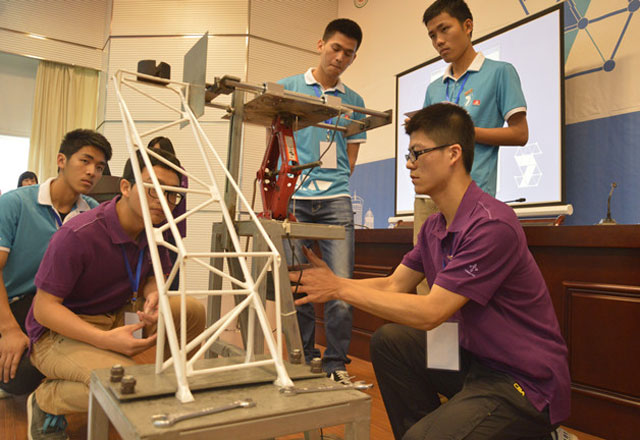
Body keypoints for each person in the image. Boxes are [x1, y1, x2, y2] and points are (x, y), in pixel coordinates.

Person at [290, 103, 571, 440]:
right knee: (391, 342)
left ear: (453, 154)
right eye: (409, 155)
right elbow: (395, 284)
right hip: (473, 361)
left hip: (523, 381)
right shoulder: (435, 226)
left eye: (418, 153)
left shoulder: (491, 225)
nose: (410, 164)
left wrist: (338, 288)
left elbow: (431, 312)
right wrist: (334, 282)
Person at [25, 148, 205, 439]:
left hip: (116, 316)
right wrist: (104, 340)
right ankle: (46, 400)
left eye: (172, 194)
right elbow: (44, 309)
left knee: (191, 310)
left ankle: (165, 389)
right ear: (125, 187)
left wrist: (152, 294)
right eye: (153, 188)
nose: (163, 201)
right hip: (58, 333)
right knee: (129, 382)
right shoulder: (78, 234)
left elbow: (151, 276)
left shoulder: (154, 231)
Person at [277, 18, 367, 385]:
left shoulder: (355, 102)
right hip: (295, 197)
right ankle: (302, 360)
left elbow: (352, 155)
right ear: (321, 44)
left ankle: (335, 364)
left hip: (336, 200)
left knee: (340, 286)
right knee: (298, 285)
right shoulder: (288, 88)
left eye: (349, 53)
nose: (340, 57)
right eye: (336, 48)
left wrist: (335, 182)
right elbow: (275, 143)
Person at [0, 129, 112, 399]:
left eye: (99, 167)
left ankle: (48, 396)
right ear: (62, 160)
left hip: (57, 305)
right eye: (84, 161)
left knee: (100, 355)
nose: (92, 172)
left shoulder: (93, 212)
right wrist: (9, 330)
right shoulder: (15, 203)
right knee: (18, 376)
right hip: (12, 304)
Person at [415, 0, 529, 231]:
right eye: (432, 35)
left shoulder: (500, 72)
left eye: (444, 29)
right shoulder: (434, 88)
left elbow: (520, 134)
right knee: (425, 256)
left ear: (467, 26)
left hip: (471, 195)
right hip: (429, 198)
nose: (438, 41)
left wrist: (465, 133)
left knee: (469, 255)